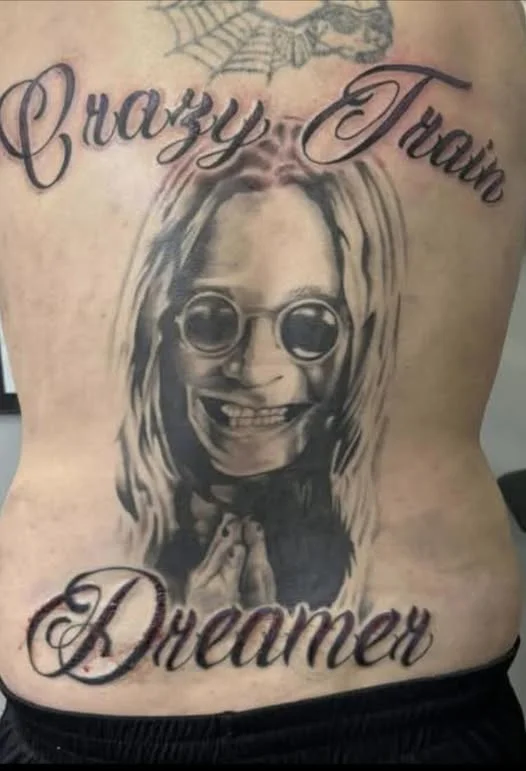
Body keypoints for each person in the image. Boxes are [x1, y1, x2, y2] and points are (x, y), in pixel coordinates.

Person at [0, 0, 525, 763]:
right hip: (422, 687)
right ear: (160, 322)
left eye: (311, 326)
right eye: (210, 319)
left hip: (100, 680)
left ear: (358, 332)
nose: (255, 372)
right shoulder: (488, 18)